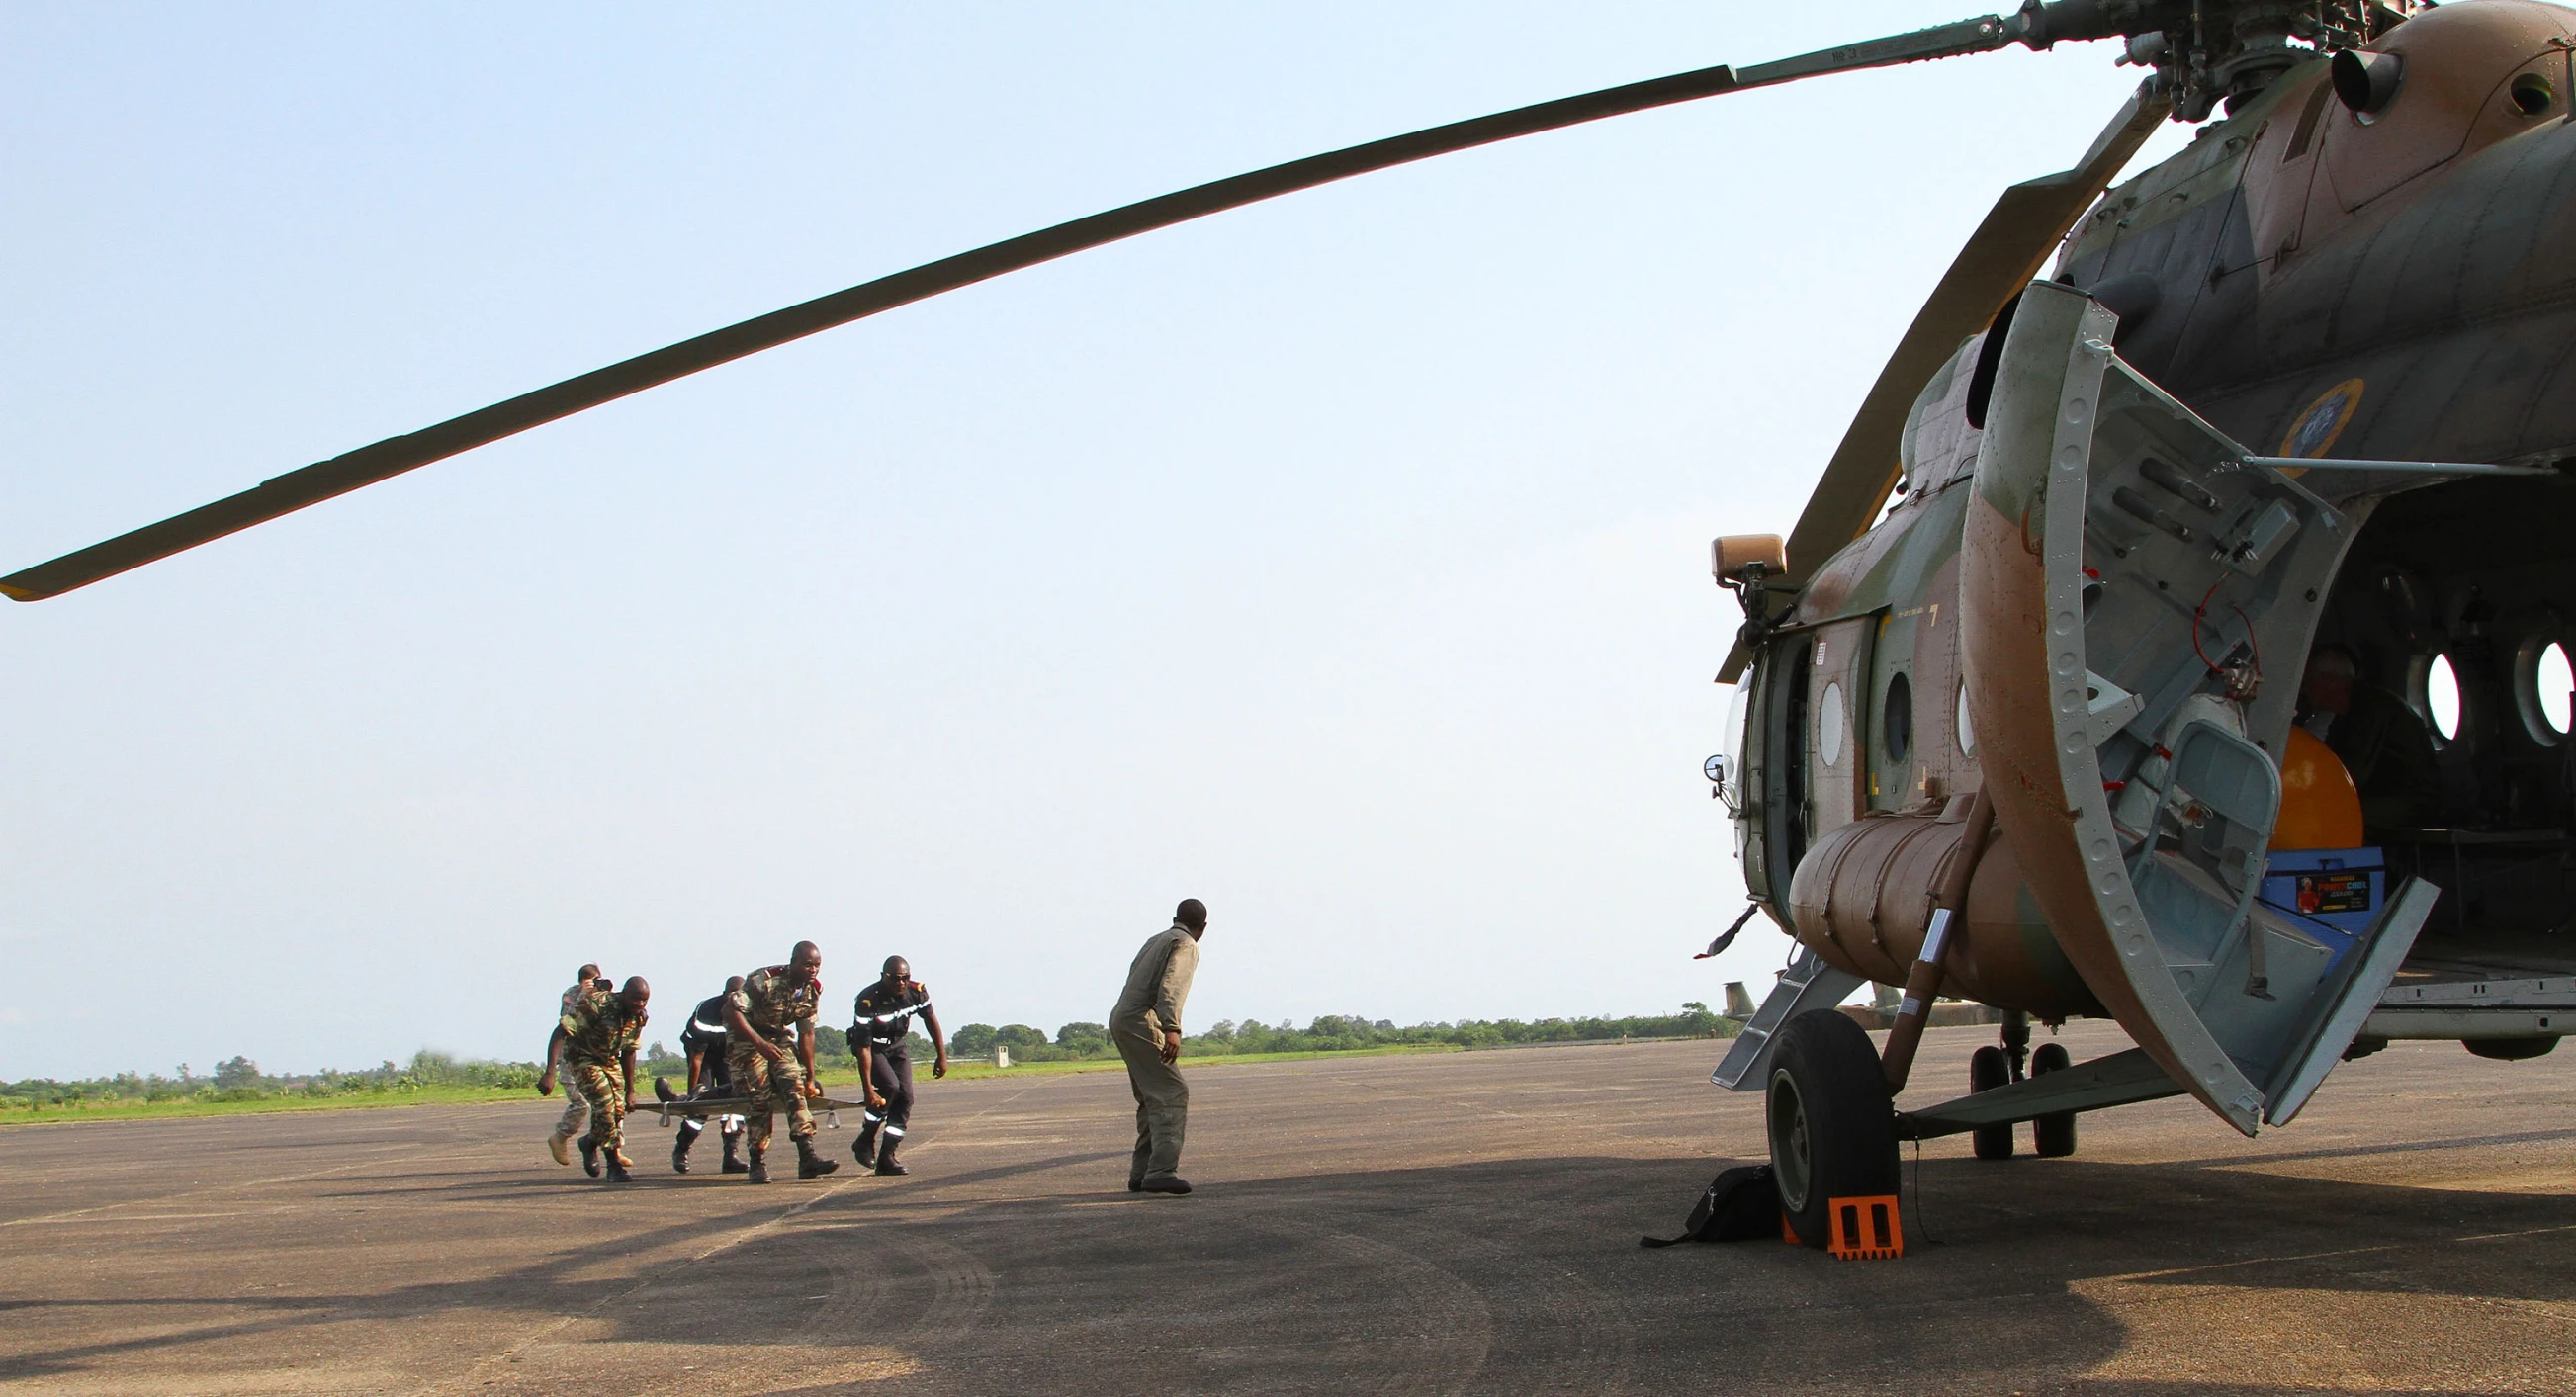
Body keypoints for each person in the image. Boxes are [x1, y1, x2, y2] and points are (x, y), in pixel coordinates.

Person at [1110, 899, 1206, 1195]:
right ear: (1202, 927)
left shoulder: (1157, 939)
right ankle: (1162, 1171)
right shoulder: (1186, 943)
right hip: (1141, 1019)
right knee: (1171, 1092)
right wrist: (1171, 1028)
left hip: (1122, 1018)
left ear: (1175, 917)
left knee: (1151, 1097)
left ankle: (1141, 1173)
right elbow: (1171, 986)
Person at [725, 942, 841, 1183]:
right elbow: (730, 1011)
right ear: (793, 962)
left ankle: (807, 1157)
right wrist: (759, 1044)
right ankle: (757, 1161)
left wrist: (809, 1075)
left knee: (794, 1085)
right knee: (760, 1097)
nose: (813, 970)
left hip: (778, 1039)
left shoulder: (812, 990)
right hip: (747, 1039)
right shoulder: (764, 980)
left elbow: (807, 1033)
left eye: (817, 965)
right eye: (807, 964)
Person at [2299, 644, 2443, 832]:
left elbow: (2353, 772)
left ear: (2330, 682)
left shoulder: (2372, 709)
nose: (2304, 690)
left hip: (2412, 801)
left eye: (2309, 681)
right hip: (2385, 795)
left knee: (2331, 814)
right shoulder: (2347, 715)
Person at [849, 956, 947, 1177]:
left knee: (905, 1096)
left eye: (905, 978)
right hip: (872, 1048)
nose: (901, 983)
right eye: (895, 978)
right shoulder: (868, 1000)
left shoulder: (917, 992)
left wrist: (941, 1055)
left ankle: (887, 1156)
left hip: (896, 1046)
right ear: (884, 976)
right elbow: (863, 1048)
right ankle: (865, 1141)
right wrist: (867, 1090)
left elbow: (930, 1020)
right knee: (890, 1088)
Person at [560, 976, 651, 1184]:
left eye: (644, 1000)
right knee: (605, 1105)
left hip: (608, 1060)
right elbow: (561, 1031)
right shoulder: (597, 1004)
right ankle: (613, 1164)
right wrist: (548, 1073)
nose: (640, 1004)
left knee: (618, 1111)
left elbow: (629, 1052)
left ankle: (590, 1142)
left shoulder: (638, 1017)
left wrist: (630, 1091)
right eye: (636, 998)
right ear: (623, 994)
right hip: (582, 1058)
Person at [659, 975, 749, 1175]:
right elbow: (697, 1058)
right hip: (704, 1055)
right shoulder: (707, 1011)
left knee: (736, 1099)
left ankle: (731, 1156)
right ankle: (681, 1149)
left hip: (728, 1056)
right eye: (732, 997)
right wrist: (693, 1093)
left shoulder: (750, 1010)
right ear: (725, 995)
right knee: (701, 1103)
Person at [537, 963, 601, 1168]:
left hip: (595, 1058)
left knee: (610, 1105)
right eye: (589, 980)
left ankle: (614, 1149)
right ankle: (560, 1137)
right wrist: (583, 995)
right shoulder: (571, 995)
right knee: (580, 1104)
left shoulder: (604, 994)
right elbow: (566, 1022)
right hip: (571, 1059)